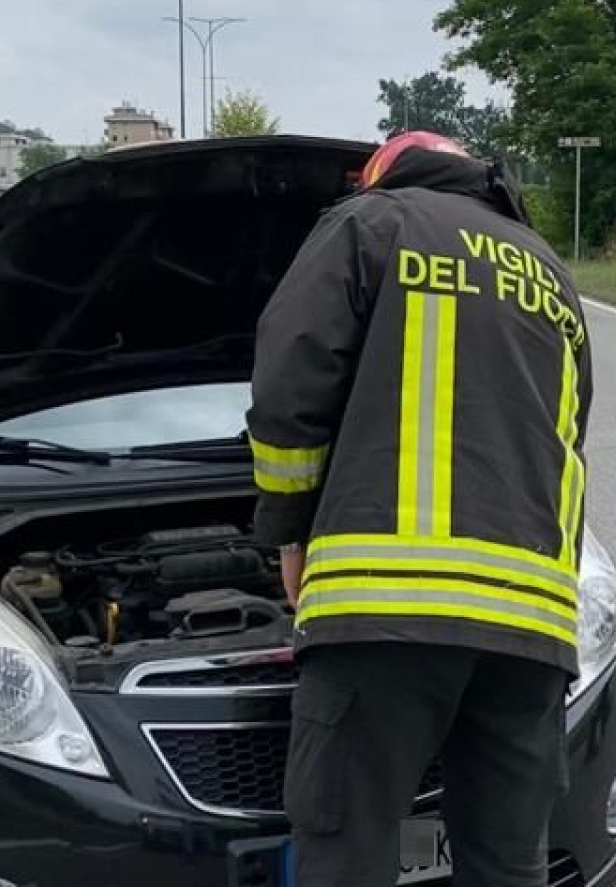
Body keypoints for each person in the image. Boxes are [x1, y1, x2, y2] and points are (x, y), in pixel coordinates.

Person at [248, 131, 593, 887]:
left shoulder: (369, 224)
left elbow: (288, 393)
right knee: (509, 865)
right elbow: (568, 443)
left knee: (348, 853)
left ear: (380, 175)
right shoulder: (550, 272)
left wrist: (288, 535)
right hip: (531, 626)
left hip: (385, 607)